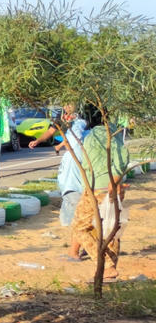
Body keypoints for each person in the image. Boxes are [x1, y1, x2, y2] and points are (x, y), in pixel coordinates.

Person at [72, 109, 129, 280]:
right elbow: (122, 161)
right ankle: (109, 269)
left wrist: (113, 183)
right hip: (113, 187)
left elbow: (120, 161)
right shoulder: (114, 133)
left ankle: (104, 263)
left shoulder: (94, 136)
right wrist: (116, 183)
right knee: (111, 226)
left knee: (80, 227)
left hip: (98, 188)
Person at [30, 105, 88, 260]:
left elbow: (76, 135)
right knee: (81, 219)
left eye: (69, 104)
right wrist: (38, 141)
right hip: (71, 184)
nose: (65, 107)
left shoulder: (79, 126)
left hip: (75, 185)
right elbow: (51, 131)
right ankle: (85, 248)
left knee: (78, 219)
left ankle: (74, 252)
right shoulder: (64, 122)